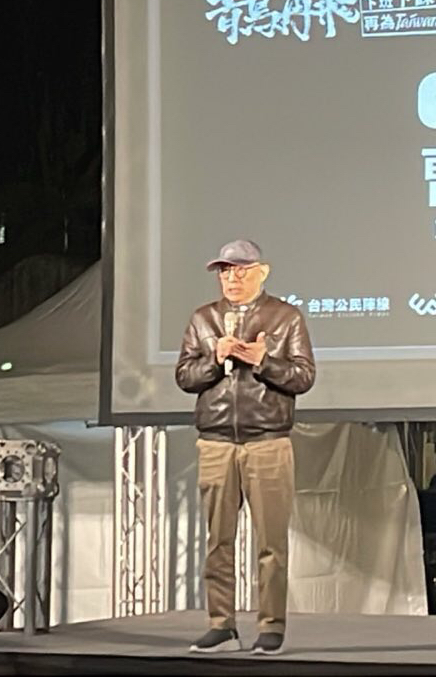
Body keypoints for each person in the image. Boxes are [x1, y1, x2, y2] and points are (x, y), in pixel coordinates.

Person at [175, 240, 315, 655]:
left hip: (268, 441)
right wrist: (214, 359)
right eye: (225, 271)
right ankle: (221, 625)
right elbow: (184, 376)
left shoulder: (286, 317)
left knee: (271, 543)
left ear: (261, 272)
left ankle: (271, 627)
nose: (231, 278)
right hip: (216, 441)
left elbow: (303, 377)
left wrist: (262, 361)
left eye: (240, 270)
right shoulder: (203, 318)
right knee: (218, 541)